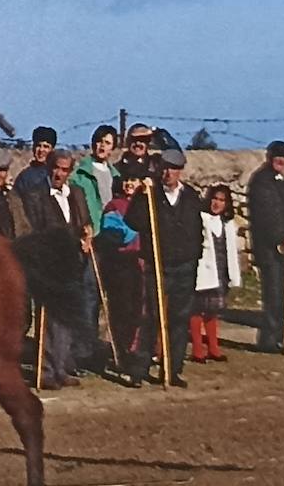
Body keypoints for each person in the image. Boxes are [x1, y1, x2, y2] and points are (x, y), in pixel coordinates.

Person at [124, 147, 202, 387]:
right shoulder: (150, 194)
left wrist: (193, 257)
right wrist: (140, 195)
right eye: (165, 168)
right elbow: (133, 222)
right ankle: (139, 369)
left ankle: (172, 369)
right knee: (151, 317)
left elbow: (196, 229)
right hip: (157, 264)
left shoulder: (190, 196)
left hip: (184, 266)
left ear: (180, 172)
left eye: (173, 169)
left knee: (179, 319)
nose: (168, 173)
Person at [20, 149, 90, 389]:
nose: (59, 173)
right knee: (49, 318)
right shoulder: (35, 196)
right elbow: (33, 230)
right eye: (56, 168)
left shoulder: (77, 194)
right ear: (49, 168)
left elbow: (84, 222)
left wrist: (87, 235)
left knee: (66, 317)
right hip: (49, 264)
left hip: (73, 262)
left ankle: (61, 367)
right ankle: (46, 370)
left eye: (64, 169)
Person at [69, 125, 118, 373]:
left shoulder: (117, 175)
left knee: (111, 298)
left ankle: (107, 349)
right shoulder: (80, 174)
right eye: (99, 141)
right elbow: (77, 206)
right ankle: (84, 352)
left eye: (107, 142)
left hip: (113, 241)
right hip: (92, 240)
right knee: (89, 296)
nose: (102, 146)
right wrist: (83, 231)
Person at [95, 162, 148, 387]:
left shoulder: (148, 205)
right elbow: (115, 234)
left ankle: (141, 354)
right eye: (127, 180)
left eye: (134, 180)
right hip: (122, 264)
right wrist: (136, 227)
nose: (129, 184)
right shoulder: (114, 206)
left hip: (143, 264)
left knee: (143, 311)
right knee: (124, 311)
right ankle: (124, 353)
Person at [246, 140, 284, 352]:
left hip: (282, 245)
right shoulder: (261, 181)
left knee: (281, 293)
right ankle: (269, 339)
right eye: (278, 156)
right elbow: (267, 216)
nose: (281, 161)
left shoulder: (281, 182)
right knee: (273, 293)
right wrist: (282, 236)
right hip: (268, 246)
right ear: (269, 157)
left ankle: (278, 337)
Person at [191, 185, 240, 364]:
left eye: (221, 200)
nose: (217, 203)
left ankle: (213, 347)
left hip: (221, 271)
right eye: (215, 199)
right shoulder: (202, 219)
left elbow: (231, 250)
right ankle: (197, 349)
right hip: (204, 270)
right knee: (197, 309)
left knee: (213, 310)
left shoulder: (227, 224)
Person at [12, 126, 57, 195]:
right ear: (33, 147)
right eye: (38, 145)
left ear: (52, 149)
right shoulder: (25, 177)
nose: (41, 150)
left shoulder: (57, 173)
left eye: (46, 146)